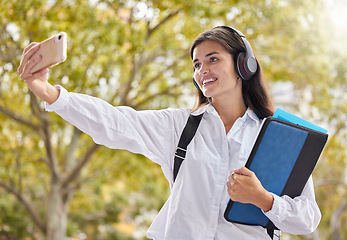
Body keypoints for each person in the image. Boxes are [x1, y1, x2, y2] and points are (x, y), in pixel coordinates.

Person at [18, 26, 321, 240]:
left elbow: (307, 218)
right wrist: (48, 92)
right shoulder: (180, 127)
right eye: (196, 64)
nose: (202, 70)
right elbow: (113, 122)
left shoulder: (279, 137)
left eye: (213, 59)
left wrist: (264, 199)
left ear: (244, 64)